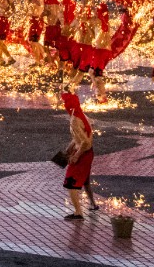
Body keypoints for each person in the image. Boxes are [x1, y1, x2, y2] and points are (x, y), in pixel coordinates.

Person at [60, 91, 94, 220]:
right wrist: (72, 146)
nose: (64, 104)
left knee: (70, 183)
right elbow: (84, 135)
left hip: (83, 153)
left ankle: (78, 213)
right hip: (87, 152)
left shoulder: (75, 119)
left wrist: (76, 155)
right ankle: (93, 204)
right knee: (85, 181)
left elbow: (85, 141)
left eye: (65, 102)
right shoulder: (82, 114)